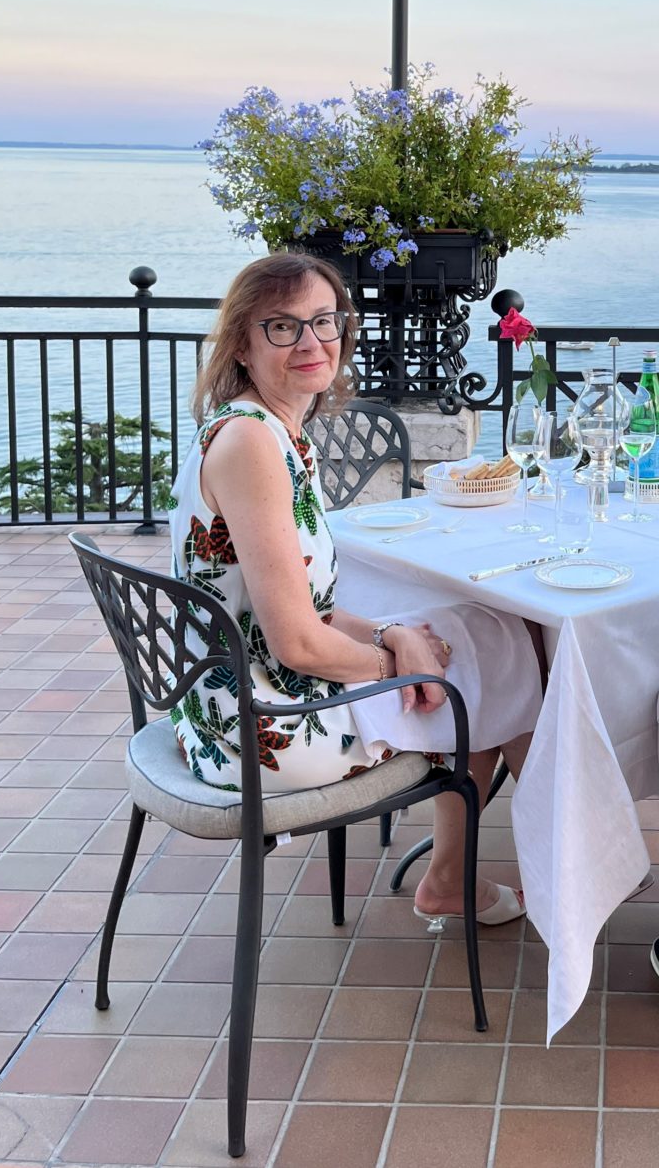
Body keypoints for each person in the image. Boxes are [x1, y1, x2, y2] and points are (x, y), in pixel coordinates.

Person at [168, 254, 544, 925]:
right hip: (263, 729)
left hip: (223, 700)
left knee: (484, 634)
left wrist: (392, 635)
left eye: (324, 321)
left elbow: (292, 603)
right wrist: (400, 666)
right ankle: (551, 857)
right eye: (283, 327)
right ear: (243, 345)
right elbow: (295, 641)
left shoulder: (268, 429)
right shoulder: (253, 446)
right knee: (496, 651)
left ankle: (473, 868)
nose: (313, 343)